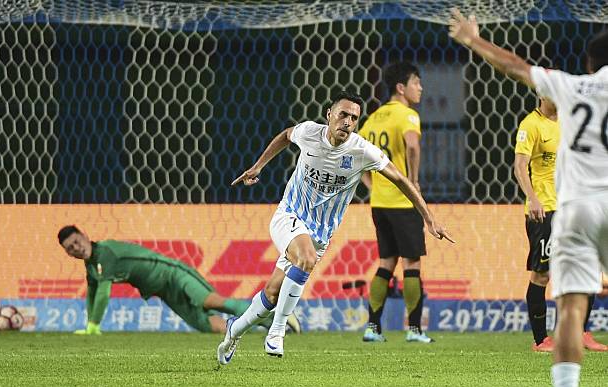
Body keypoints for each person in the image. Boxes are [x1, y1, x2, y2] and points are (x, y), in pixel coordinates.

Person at [449, 10, 608, 387]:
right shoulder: (537, 120)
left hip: (576, 210)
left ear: (588, 64)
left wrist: (472, 40)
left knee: (571, 306)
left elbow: (514, 66)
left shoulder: (570, 86)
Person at [217, 91, 454, 365]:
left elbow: (401, 179)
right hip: (289, 215)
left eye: (354, 118)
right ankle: (278, 330)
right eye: (343, 115)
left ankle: (234, 329)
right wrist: (258, 166)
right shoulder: (308, 133)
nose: (348, 122)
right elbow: (285, 136)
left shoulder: (361, 150)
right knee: (304, 258)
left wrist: (429, 217)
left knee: (272, 292)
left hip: (320, 234)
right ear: (329, 115)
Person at [58, 225, 300, 335]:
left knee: (210, 302)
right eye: (70, 248)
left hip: (173, 273)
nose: (76, 248)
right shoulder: (92, 267)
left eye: (77, 242)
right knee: (207, 326)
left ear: (86, 236)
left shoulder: (105, 254)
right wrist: (89, 323)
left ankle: (277, 314)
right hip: (164, 291)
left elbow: (102, 293)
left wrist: (93, 326)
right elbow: (92, 292)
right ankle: (268, 323)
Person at [514, 98, 608, 353]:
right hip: (544, 209)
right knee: (543, 274)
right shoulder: (531, 125)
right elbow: (520, 166)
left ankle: (580, 333)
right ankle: (541, 340)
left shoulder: (570, 122)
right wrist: (532, 198)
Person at [359, 61, 433, 343]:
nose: (420, 88)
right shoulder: (407, 115)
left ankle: (373, 327)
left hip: (379, 203)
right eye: (416, 83)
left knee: (386, 262)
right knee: (411, 263)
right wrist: (412, 182)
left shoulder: (373, 119)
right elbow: (412, 145)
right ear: (401, 88)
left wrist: (371, 185)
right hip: (403, 203)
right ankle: (414, 329)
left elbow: (359, 160)